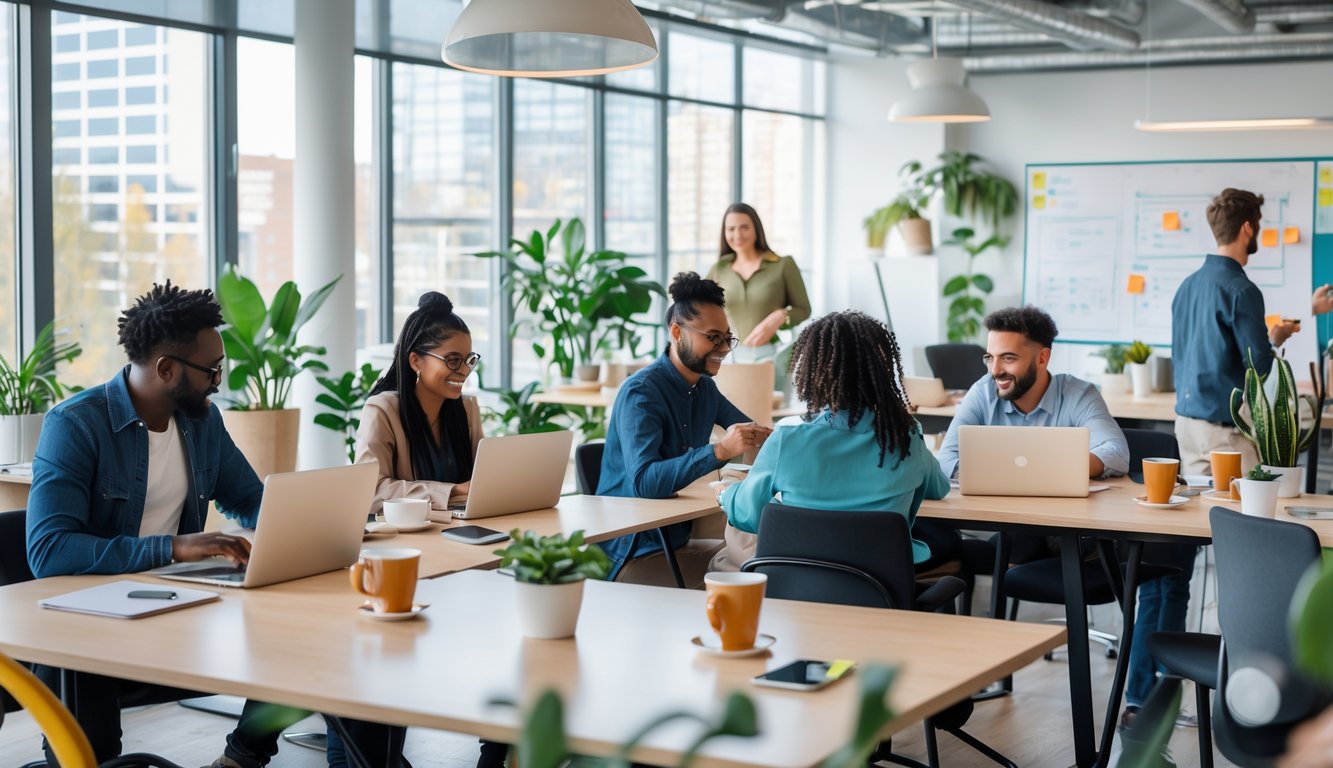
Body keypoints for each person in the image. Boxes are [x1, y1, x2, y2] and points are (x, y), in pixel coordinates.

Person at [24, 282, 283, 767]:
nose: (218, 383)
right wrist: (176, 547)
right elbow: (50, 551)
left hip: (180, 606)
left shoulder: (202, 421)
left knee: (301, 639)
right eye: (211, 371)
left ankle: (242, 759)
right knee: (86, 695)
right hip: (90, 626)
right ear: (167, 369)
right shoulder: (76, 425)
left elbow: (249, 499)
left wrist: (301, 530)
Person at [1120, 187, 1299, 731]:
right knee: (1245, 562)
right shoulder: (1240, 288)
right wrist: (1276, 336)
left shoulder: (1188, 285)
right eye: (1260, 225)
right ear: (1247, 228)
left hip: (1186, 430)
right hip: (1227, 437)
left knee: (1175, 561)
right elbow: (1258, 367)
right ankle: (1243, 693)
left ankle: (1141, 694)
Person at [347, 290, 501, 768]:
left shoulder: (466, 409)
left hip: (461, 550)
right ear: (416, 360)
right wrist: (452, 492)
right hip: (405, 556)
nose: (463, 371)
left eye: (469, 360)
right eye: (452, 360)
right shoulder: (384, 410)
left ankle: (497, 750)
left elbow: (486, 478)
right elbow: (370, 490)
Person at [718, 311, 957, 572]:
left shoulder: (785, 441)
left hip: (798, 588)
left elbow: (747, 516)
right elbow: (939, 488)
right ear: (882, 370)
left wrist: (726, 492)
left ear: (812, 370)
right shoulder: (905, 437)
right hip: (880, 586)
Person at [597, 272, 771, 585]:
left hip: (673, 538)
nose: (723, 348)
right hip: (632, 548)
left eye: (727, 338)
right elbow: (645, 484)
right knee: (755, 570)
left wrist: (781, 439)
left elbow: (748, 430)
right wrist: (720, 450)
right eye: (713, 337)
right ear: (677, 332)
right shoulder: (641, 393)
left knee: (761, 558)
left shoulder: (704, 388)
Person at [935, 305, 1129, 564]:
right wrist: (1021, 475)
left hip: (1067, 528)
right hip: (1009, 526)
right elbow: (946, 457)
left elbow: (1116, 451)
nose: (995, 371)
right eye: (990, 358)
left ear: (1042, 358)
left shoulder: (1079, 395)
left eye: (1008, 358)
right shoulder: (982, 392)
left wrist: (1051, 470)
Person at [705, 203, 811, 363]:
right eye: (731, 229)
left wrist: (781, 316)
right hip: (727, 358)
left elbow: (804, 310)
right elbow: (699, 309)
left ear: (756, 229)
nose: (738, 234)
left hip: (771, 355)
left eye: (744, 227)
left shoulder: (783, 265)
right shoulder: (719, 268)